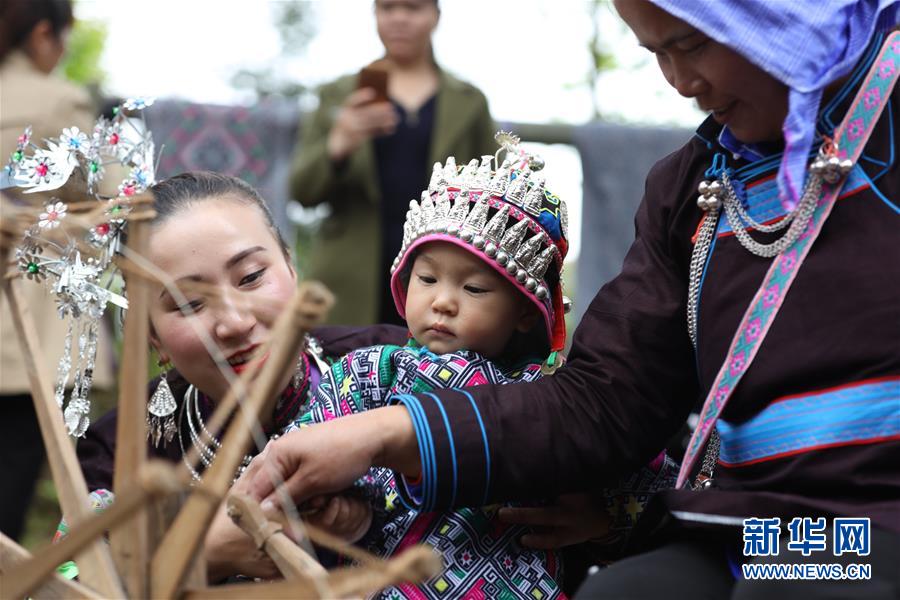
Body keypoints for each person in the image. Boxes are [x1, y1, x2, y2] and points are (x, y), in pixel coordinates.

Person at [249, 1, 900, 597]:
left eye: (691, 43)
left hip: (871, 523)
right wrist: (387, 431)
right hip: (745, 529)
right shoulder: (695, 187)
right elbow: (607, 398)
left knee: (790, 583)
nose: (679, 81)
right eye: (655, 54)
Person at [288, 150, 675, 598]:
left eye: (473, 288)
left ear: (525, 313)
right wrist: (332, 507)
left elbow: (643, 477)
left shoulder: (551, 398)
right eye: (427, 279)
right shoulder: (367, 371)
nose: (443, 302)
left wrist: (604, 522)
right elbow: (303, 452)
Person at [63, 171, 408, 582]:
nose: (235, 322)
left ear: (291, 267)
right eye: (190, 303)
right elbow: (63, 581)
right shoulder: (119, 450)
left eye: (250, 277)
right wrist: (203, 555)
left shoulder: (397, 366)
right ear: (151, 336)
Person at [289, 0, 497, 327]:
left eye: (412, 8)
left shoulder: (469, 101)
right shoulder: (337, 94)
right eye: (387, 7)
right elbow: (301, 190)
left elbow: (492, 191)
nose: (399, 18)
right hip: (350, 280)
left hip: (443, 279)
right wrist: (338, 145)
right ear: (374, 15)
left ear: (435, 16)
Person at [0, 0, 116, 542]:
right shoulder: (56, 99)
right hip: (38, 314)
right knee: (62, 481)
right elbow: (111, 193)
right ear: (44, 32)